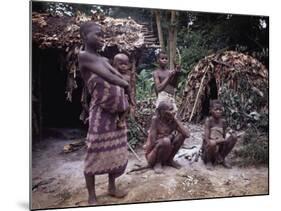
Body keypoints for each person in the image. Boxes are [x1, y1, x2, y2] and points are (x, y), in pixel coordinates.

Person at [78, 21, 130, 205]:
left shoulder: (105, 60)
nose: (102, 38)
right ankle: (92, 195)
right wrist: (125, 85)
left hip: (114, 114)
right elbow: (111, 77)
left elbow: (115, 75)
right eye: (97, 34)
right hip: (100, 112)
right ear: (85, 37)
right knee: (94, 151)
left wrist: (124, 87)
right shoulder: (83, 56)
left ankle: (111, 186)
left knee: (114, 151)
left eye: (103, 35)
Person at [143, 101, 190, 174]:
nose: (173, 111)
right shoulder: (156, 120)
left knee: (181, 135)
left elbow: (187, 134)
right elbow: (152, 141)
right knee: (166, 141)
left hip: (166, 150)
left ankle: (170, 160)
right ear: (162, 112)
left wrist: (175, 119)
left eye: (173, 109)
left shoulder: (172, 121)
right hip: (152, 154)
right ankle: (157, 163)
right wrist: (169, 137)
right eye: (170, 109)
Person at [201, 100, 238, 169]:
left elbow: (223, 136)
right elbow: (206, 140)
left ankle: (222, 158)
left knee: (234, 137)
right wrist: (219, 141)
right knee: (212, 143)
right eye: (216, 109)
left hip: (219, 148)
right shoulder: (209, 121)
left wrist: (227, 138)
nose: (218, 111)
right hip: (209, 150)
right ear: (211, 110)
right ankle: (209, 162)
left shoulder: (223, 122)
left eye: (220, 109)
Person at [112, 53, 133, 128]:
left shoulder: (128, 76)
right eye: (121, 64)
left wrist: (131, 99)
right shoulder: (112, 74)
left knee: (128, 108)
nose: (124, 66)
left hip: (124, 97)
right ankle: (117, 119)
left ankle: (121, 120)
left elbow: (129, 88)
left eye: (125, 64)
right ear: (114, 64)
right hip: (114, 97)